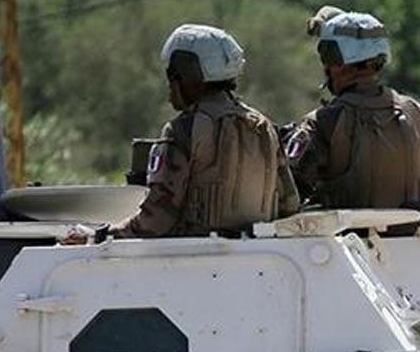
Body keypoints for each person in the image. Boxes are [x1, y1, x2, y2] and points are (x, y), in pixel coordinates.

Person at [61, 23, 297, 244]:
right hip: (260, 261)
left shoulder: (183, 131)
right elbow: (290, 205)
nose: (170, 85)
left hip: (190, 264)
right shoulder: (264, 128)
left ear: (189, 77)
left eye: (174, 76)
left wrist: (99, 235)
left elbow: (155, 222)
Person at [284, 8, 420, 209]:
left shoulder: (323, 122)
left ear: (335, 62)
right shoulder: (417, 113)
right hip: (413, 236)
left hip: (343, 239)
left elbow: (288, 188)